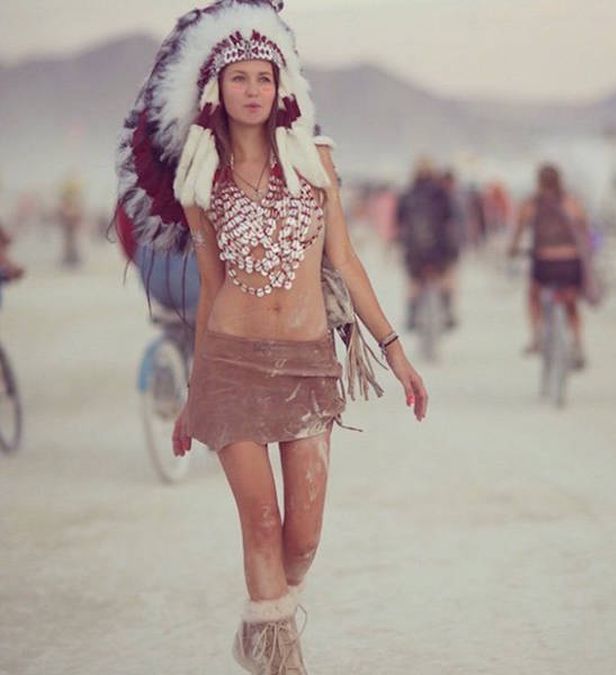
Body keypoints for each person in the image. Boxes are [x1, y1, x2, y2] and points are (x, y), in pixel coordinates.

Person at [114, 2, 428, 672]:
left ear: (281, 85)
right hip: (230, 365)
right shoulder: (200, 179)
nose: (252, 90)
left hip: (308, 366)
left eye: (264, 77)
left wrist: (395, 350)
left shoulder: (315, 160)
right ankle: (278, 657)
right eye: (239, 78)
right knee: (259, 525)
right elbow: (206, 292)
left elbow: (344, 260)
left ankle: (261, 623)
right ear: (216, 90)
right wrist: (194, 393)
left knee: (303, 538)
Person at [508, 164, 588, 368]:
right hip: (571, 262)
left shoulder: (532, 204)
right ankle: (578, 343)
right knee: (571, 305)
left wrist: (514, 250)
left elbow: (518, 232)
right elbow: (585, 230)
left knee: (534, 295)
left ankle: (536, 337)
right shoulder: (571, 202)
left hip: (544, 263)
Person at [396, 159, 459, 330]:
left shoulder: (407, 193)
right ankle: (447, 310)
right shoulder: (442, 193)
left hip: (414, 248)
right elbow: (451, 220)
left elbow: (399, 222)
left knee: (414, 281)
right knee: (446, 275)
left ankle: (412, 314)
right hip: (439, 246)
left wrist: (396, 245)